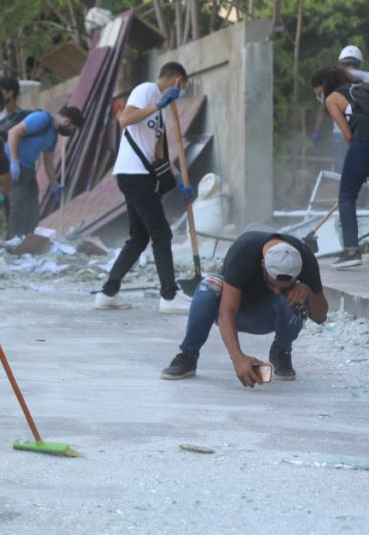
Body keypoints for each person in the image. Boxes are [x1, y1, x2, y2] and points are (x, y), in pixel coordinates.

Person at [160, 232, 327, 385]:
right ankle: (188, 356)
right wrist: (237, 357)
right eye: (272, 284)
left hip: (266, 315)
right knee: (208, 287)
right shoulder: (244, 250)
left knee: (298, 299)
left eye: (283, 287)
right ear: (263, 263)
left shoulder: (305, 259)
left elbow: (321, 317)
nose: (277, 290)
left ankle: (281, 352)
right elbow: (226, 312)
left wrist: (307, 291)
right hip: (235, 310)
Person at [94, 62, 193, 314]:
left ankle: (108, 293)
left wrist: (179, 177)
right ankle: (169, 297)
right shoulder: (147, 90)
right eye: (182, 87)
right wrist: (156, 105)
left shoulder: (160, 113)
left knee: (139, 237)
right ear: (178, 80)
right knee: (162, 234)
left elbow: (158, 153)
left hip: (140, 176)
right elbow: (124, 119)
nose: (181, 93)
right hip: (133, 174)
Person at [310, 66, 368, 268]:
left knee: (346, 196)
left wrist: (357, 161)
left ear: (323, 87)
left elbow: (348, 135)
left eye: (317, 93)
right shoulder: (360, 88)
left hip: (362, 142)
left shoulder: (332, 99)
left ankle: (351, 251)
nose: (319, 97)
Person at [3, 105, 84, 243]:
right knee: (19, 206)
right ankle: (13, 242)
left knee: (33, 209)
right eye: (73, 129)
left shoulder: (53, 136)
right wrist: (14, 162)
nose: (71, 132)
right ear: (67, 121)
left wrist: (55, 184)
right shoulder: (41, 119)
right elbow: (13, 133)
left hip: (28, 168)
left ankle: (28, 242)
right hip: (14, 164)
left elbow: (48, 161)